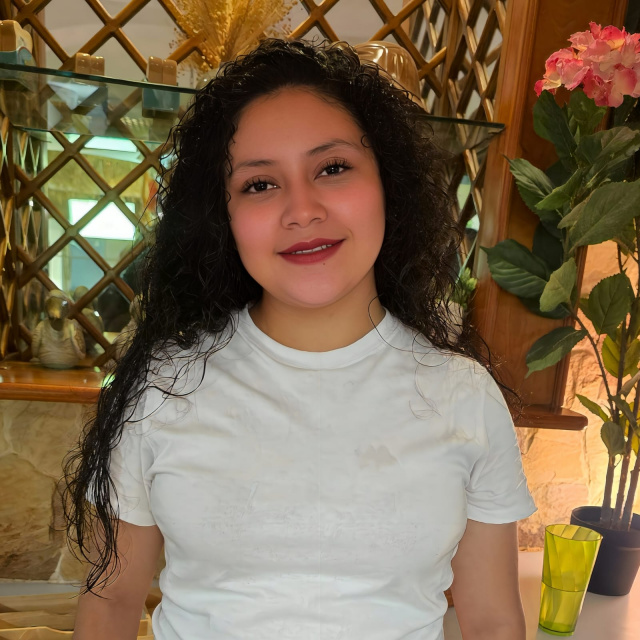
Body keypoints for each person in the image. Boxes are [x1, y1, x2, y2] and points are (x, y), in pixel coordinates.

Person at [65, 38, 537, 640]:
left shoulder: (463, 396)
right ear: (222, 216)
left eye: (332, 168)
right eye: (260, 184)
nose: (302, 209)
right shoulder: (163, 386)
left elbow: (492, 620)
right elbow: (110, 603)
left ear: (388, 182)